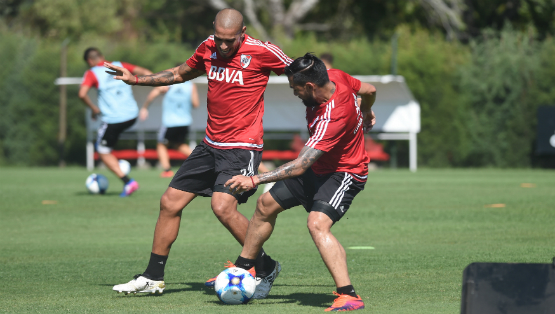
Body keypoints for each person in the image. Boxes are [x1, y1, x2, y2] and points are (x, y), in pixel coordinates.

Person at [108, 8, 293, 298]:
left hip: (241, 147)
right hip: (210, 145)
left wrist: (343, 95)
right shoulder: (207, 47)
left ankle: (265, 267)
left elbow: (301, 73)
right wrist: (136, 81)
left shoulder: (262, 51)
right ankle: (153, 277)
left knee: (221, 207)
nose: (222, 46)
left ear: (243, 34)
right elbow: (181, 72)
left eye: (229, 41)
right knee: (170, 202)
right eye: (219, 38)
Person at [224, 53, 376, 312]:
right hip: (318, 169)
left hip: (344, 173)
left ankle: (348, 295)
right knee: (265, 205)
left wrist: (255, 179)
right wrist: (367, 109)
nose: (294, 93)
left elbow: (300, 165)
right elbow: (370, 89)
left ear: (310, 86)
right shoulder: (336, 76)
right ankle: (246, 269)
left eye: (295, 88)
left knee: (317, 223)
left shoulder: (333, 117)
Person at [78, 48, 153, 197]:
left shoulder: (92, 73)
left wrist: (93, 109)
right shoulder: (120, 65)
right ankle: (120, 167)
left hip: (113, 119)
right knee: (107, 147)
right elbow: (145, 71)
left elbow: (82, 94)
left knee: (102, 150)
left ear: (89, 61)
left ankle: (128, 182)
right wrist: (156, 84)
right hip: (132, 116)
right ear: (102, 56)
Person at [139, 68, 200, 178]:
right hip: (185, 121)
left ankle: (167, 170)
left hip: (170, 122)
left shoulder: (170, 83)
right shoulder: (191, 85)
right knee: (179, 144)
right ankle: (201, 161)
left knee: (161, 145)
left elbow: (154, 93)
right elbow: (195, 104)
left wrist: (144, 108)